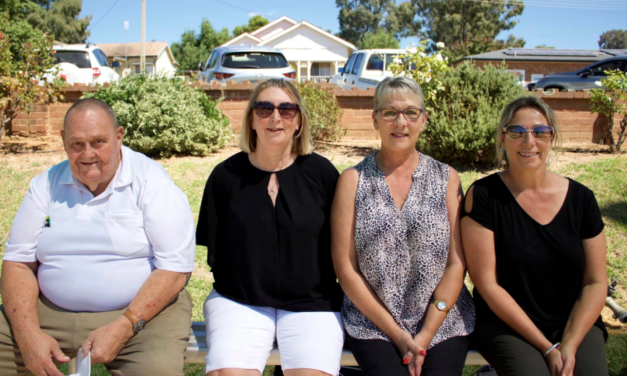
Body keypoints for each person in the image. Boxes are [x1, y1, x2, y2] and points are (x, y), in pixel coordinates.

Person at [0, 98, 196, 376]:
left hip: (140, 314)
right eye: (76, 144)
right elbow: (18, 263)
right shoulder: (45, 185)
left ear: (119, 137)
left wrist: (125, 326)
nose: (87, 153)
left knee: (156, 370)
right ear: (63, 140)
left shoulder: (152, 183)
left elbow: (176, 270)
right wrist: (28, 335)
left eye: (98, 142)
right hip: (47, 312)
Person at [196, 79, 344, 376]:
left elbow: (341, 251)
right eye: (264, 108)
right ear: (251, 119)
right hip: (240, 300)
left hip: (312, 304)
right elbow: (217, 254)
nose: (275, 117)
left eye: (287, 109)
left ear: (299, 120)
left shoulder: (322, 174)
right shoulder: (225, 177)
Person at [331, 77, 475, 376]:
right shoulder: (352, 182)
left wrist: (423, 335)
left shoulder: (446, 178)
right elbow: (346, 270)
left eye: (411, 113)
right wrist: (398, 335)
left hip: (442, 321)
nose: (401, 122)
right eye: (389, 112)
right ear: (375, 119)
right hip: (373, 323)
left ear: (423, 120)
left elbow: (456, 264)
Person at [462, 96, 608, 376]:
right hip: (506, 324)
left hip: (572, 320)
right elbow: (487, 284)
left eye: (540, 131)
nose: (529, 141)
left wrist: (570, 343)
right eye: (517, 131)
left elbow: (596, 281)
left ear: (552, 138)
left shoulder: (582, 199)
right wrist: (547, 347)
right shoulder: (483, 196)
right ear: (503, 138)